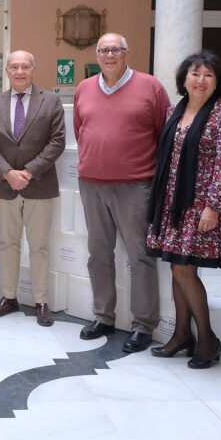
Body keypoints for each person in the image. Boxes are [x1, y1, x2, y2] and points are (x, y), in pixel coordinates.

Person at [73, 33, 169, 352]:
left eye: (116, 49)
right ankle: (104, 315)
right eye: (104, 50)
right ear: (97, 56)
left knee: (139, 256)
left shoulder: (150, 87)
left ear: (127, 53)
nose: (110, 55)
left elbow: (163, 135)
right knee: (98, 254)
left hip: (135, 186)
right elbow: (81, 130)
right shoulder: (84, 88)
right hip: (91, 184)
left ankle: (143, 324)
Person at [146, 50, 221, 368]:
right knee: (177, 266)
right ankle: (182, 334)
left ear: (218, 82)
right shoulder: (176, 110)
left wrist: (214, 207)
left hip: (200, 205)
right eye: (195, 73)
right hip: (171, 202)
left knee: (184, 270)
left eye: (208, 75)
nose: (200, 80)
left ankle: (208, 338)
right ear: (184, 78)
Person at [0, 50, 66, 326]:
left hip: (39, 185)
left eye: (25, 67)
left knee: (39, 246)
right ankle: (8, 297)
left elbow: (57, 141)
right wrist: (7, 172)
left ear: (33, 70)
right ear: (7, 71)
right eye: (14, 67)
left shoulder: (50, 100)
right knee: (8, 244)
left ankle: (41, 301)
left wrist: (28, 172)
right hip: (5, 186)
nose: (20, 72)